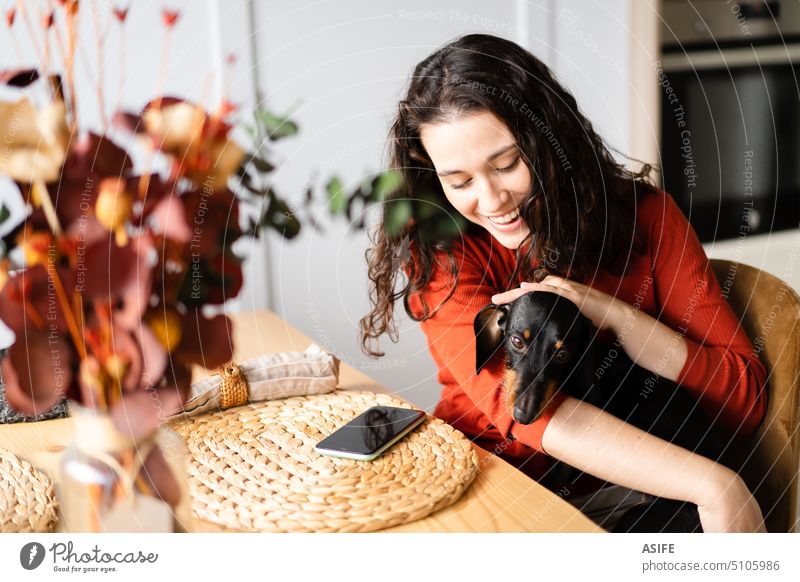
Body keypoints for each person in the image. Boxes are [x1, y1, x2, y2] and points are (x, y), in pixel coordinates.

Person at [360, 33, 766, 532]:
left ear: (549, 138)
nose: (490, 201)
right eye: (459, 181)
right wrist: (713, 485)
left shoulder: (647, 217)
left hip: (657, 494)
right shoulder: (439, 250)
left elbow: (743, 402)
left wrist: (618, 317)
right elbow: (524, 412)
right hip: (497, 485)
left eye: (507, 164)